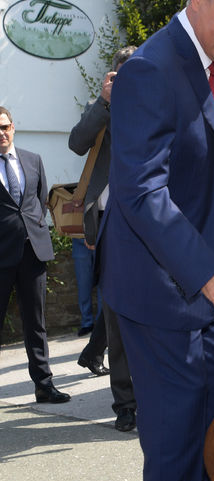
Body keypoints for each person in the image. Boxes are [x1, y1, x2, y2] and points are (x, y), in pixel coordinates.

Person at [99, 0, 214, 481]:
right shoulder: (151, 68)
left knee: (209, 443)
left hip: (209, 298)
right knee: (176, 454)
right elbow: (141, 191)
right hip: (166, 295)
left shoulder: (213, 65)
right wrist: (211, 274)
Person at [71, 45, 139, 432]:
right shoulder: (104, 108)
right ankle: (125, 403)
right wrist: (105, 101)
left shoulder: (159, 105)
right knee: (115, 317)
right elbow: (77, 142)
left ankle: (150, 393)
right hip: (111, 223)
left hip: (153, 223)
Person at [0, 107, 71, 405]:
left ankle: (44, 385)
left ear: (13, 127)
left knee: (36, 323)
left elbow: (39, 202)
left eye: (4, 127)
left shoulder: (32, 159)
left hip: (32, 252)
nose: (1, 133)